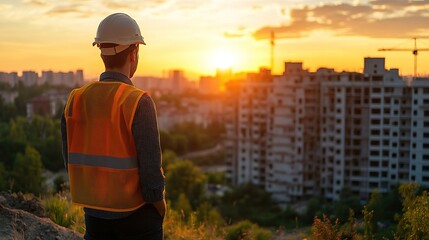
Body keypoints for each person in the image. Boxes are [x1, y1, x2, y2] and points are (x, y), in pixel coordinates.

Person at [61, 13, 166, 240]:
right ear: (134, 53)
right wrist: (160, 208)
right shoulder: (138, 101)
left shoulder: (76, 99)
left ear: (101, 52)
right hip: (139, 220)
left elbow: (71, 162)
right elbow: (151, 177)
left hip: (95, 219)